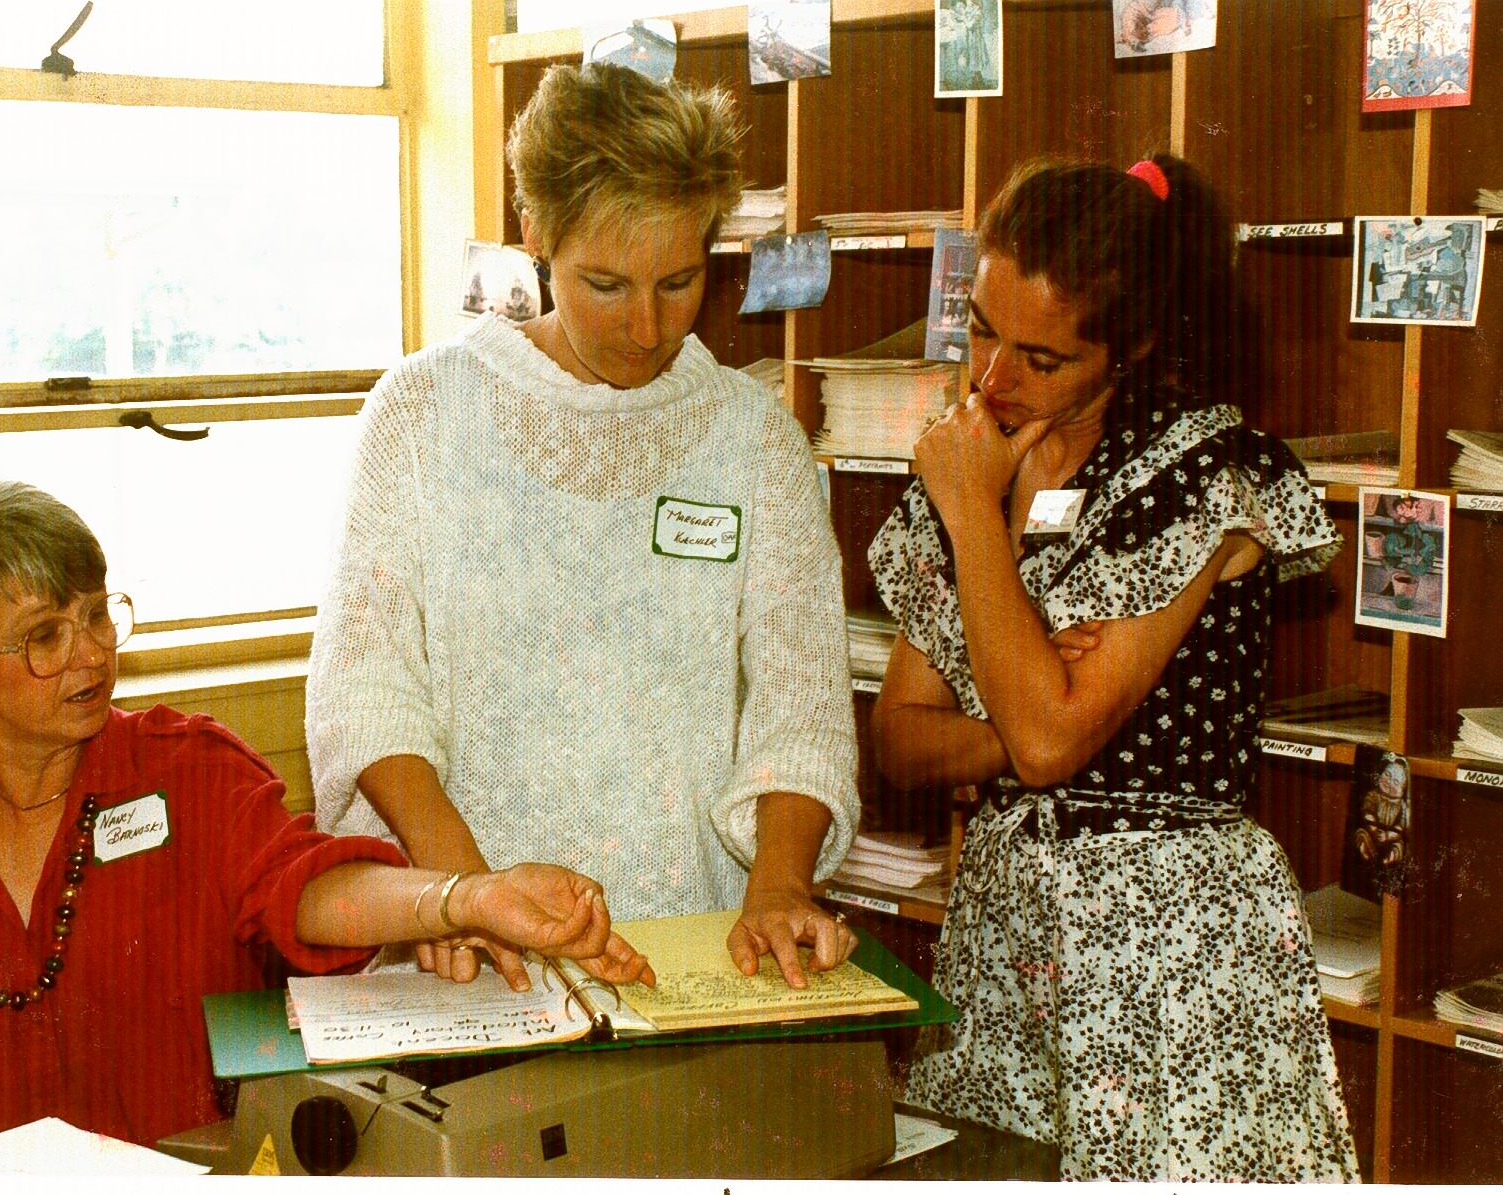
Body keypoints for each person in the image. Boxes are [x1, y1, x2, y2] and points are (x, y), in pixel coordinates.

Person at [0, 480, 651, 1148]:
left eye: (96, 614)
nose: (91, 653)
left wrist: (464, 896)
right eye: (44, 635)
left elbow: (307, 885)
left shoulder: (184, 771)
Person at [306, 62, 859, 994]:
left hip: (692, 948)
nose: (646, 327)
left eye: (679, 280)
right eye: (605, 283)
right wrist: (467, 889)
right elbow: (365, 689)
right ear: (536, 233)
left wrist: (780, 881)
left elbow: (800, 697)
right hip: (476, 949)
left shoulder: (752, 435)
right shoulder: (423, 412)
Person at [866, 155, 1359, 1180]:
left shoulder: (1201, 473)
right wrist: (1026, 704)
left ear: (1129, 345)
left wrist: (973, 523)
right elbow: (902, 741)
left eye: (1039, 358)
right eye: (983, 331)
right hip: (1006, 933)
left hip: (1165, 946)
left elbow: (1050, 747)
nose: (993, 380)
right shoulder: (970, 454)